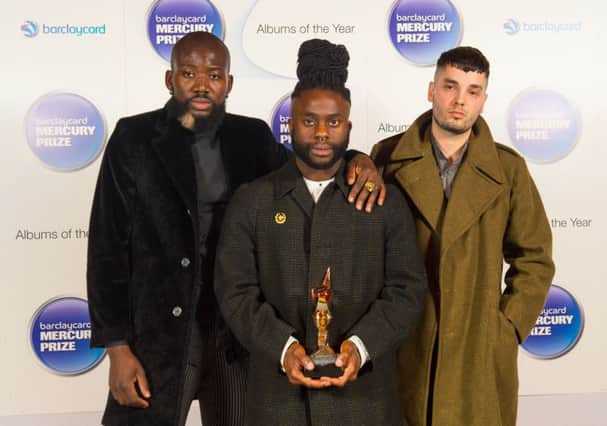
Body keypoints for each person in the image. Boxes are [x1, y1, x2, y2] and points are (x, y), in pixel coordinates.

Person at [86, 31, 384, 426]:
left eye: (213, 74)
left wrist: (360, 158)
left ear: (228, 83)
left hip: (236, 333)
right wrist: (117, 348)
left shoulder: (252, 137)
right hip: (158, 333)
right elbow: (107, 248)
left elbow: (311, 165)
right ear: (169, 79)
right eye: (189, 72)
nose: (201, 84)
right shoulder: (133, 138)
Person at [213, 39, 426, 425]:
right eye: (309, 121)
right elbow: (235, 291)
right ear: (291, 124)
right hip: (277, 404)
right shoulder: (252, 201)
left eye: (333, 122)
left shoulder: (385, 203)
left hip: (366, 404)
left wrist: (361, 348)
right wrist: (283, 347)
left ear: (348, 126)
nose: (322, 133)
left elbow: (407, 291)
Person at [371, 46, 555, 426]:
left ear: (484, 99)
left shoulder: (508, 169)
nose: (460, 101)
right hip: (406, 343)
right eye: (450, 86)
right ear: (431, 90)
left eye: (473, 91)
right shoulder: (386, 159)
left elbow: (534, 257)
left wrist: (506, 327)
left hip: (478, 352)